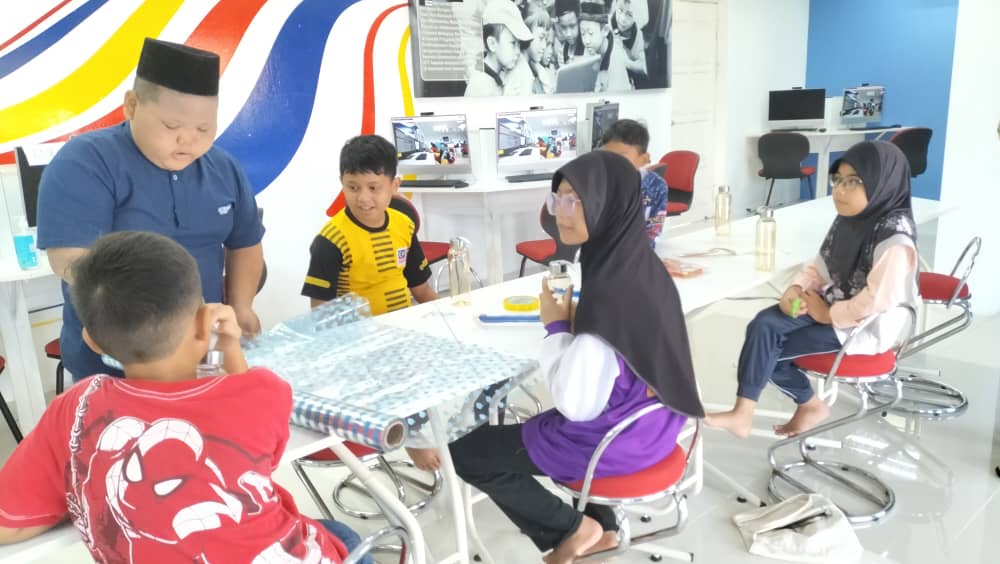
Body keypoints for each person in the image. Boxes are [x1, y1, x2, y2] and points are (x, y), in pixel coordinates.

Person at [0, 231, 368, 563]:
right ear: (204, 321)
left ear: (93, 342)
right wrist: (227, 344)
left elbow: (8, 523)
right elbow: (251, 432)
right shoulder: (263, 392)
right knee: (341, 534)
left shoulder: (77, 407)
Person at [449, 151, 704, 563]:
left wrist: (556, 328)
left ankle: (573, 528)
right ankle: (604, 529)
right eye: (558, 199)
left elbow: (576, 405)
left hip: (615, 443)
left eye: (575, 200)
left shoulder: (609, 300)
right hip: (657, 428)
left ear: (609, 204)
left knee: (466, 451)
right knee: (560, 415)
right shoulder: (641, 265)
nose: (561, 214)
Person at [37, 38, 265, 384]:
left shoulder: (224, 168)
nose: (188, 140)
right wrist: (157, 317)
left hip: (205, 354)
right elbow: (70, 260)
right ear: (132, 105)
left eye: (203, 129)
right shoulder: (86, 161)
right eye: (172, 126)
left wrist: (241, 305)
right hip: (115, 362)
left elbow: (245, 242)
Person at [706, 141, 919, 438]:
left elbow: (877, 301)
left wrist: (828, 315)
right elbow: (820, 268)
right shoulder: (850, 219)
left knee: (769, 350)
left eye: (853, 181)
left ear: (881, 182)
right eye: (838, 180)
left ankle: (808, 404)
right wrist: (795, 289)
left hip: (863, 324)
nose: (840, 190)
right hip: (831, 304)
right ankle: (745, 413)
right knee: (763, 326)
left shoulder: (894, 239)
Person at [301, 134, 441, 471]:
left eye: (373, 187)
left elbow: (421, 288)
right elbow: (322, 313)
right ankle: (413, 439)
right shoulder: (331, 241)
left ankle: (422, 430)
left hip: (404, 330)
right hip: (360, 341)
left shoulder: (404, 226)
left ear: (394, 186)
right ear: (342, 184)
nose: (363, 198)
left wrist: (446, 318)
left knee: (439, 370)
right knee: (401, 375)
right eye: (353, 187)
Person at [598, 119, 667, 248]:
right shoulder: (599, 183)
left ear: (644, 159)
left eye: (621, 157)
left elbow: (654, 229)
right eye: (607, 156)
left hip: (640, 251)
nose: (613, 163)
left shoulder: (656, 186)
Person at [465, 0, 534, 96]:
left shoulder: (501, 75)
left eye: (519, 44)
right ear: (492, 44)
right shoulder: (479, 85)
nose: (518, 51)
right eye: (513, 43)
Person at [579, 0, 632, 92]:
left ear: (605, 30)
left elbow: (616, 97)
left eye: (591, 33)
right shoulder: (591, 46)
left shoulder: (616, 57)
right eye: (583, 33)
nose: (586, 41)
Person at [554, 0, 584, 66]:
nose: (568, 34)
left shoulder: (587, 46)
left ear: (579, 21)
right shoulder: (563, 51)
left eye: (572, 26)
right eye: (564, 27)